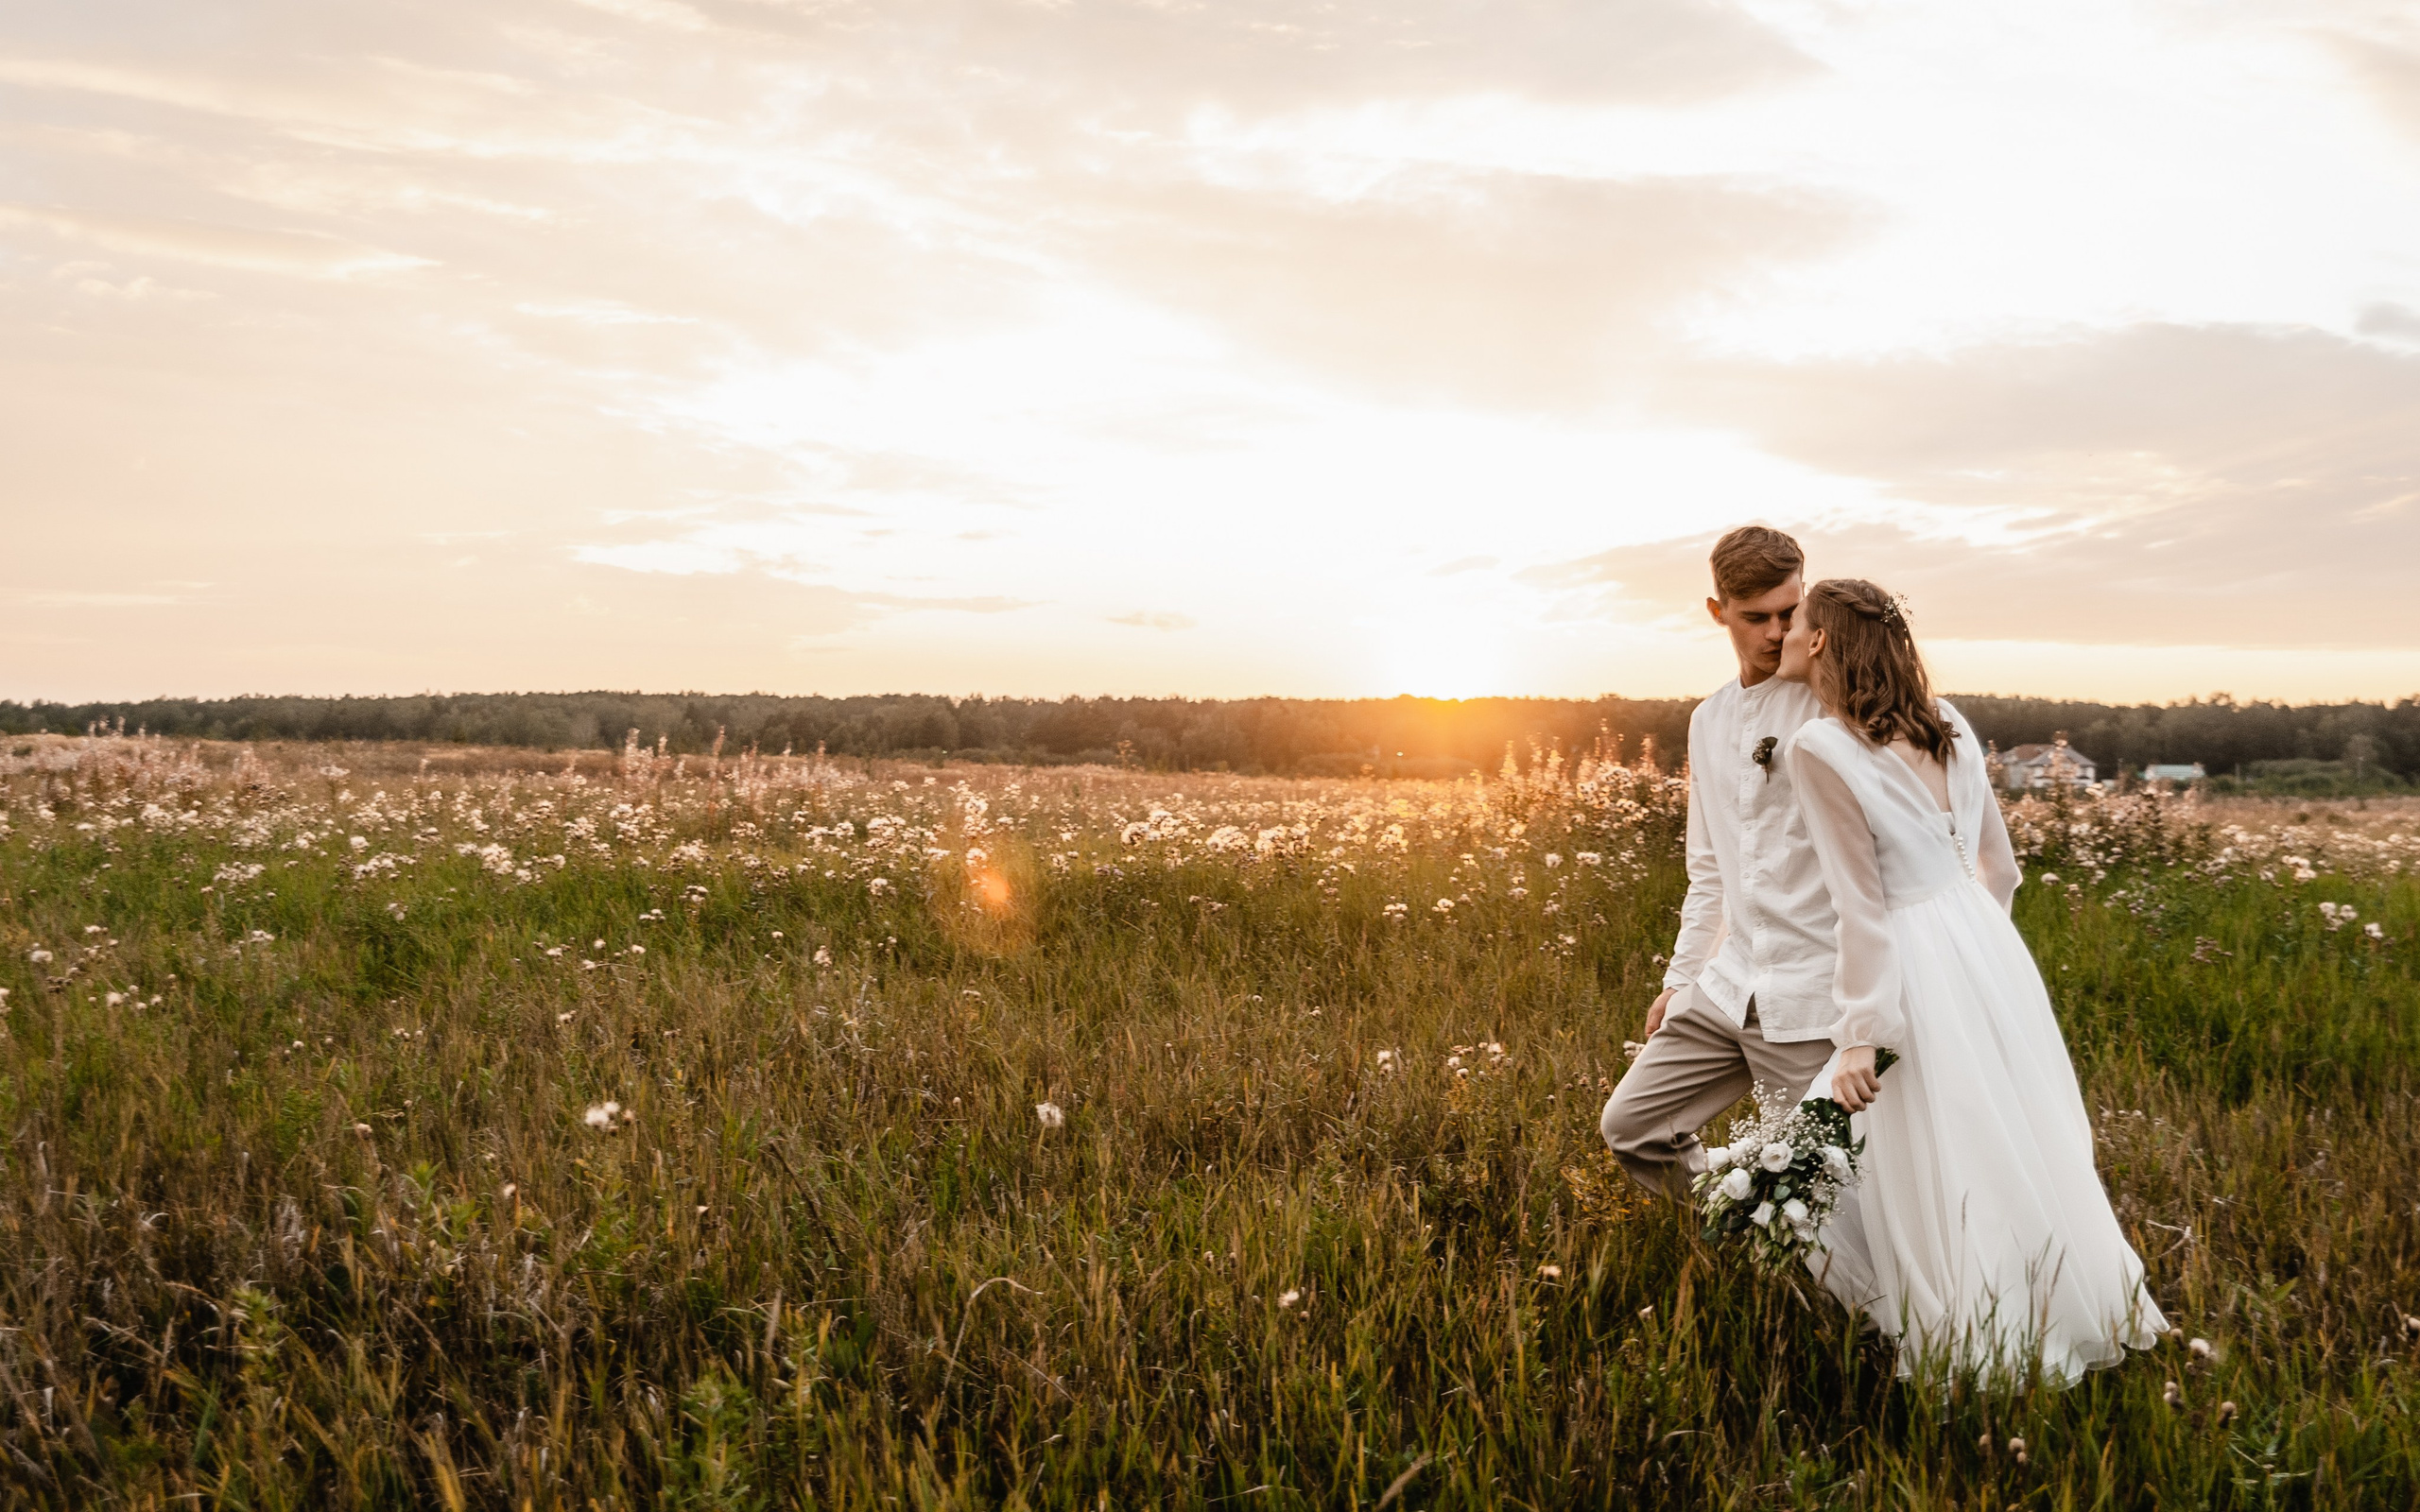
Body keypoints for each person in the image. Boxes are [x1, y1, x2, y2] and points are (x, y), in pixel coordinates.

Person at [1777, 577, 2166, 1383]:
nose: (1781, 632)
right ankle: (2055, 1304)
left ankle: (1977, 1338)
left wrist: (1861, 1035)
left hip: (1912, 958)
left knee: (1933, 1150)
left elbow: (1862, 907)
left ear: (1819, 641)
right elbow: (2002, 869)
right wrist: (1975, 955)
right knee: (2006, 1132)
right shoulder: (1948, 721)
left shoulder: (1818, 747)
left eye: (1795, 621)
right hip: (1987, 947)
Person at [1599, 526, 1843, 1195]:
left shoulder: (1834, 708)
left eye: (1790, 613)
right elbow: (1708, 868)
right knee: (1633, 1126)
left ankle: (1782, 1227)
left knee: (1823, 1185)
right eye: (1756, 617)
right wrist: (1681, 979)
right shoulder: (1707, 721)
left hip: (1811, 995)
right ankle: (1736, 1217)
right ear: (1718, 613)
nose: (1777, 633)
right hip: (1728, 984)